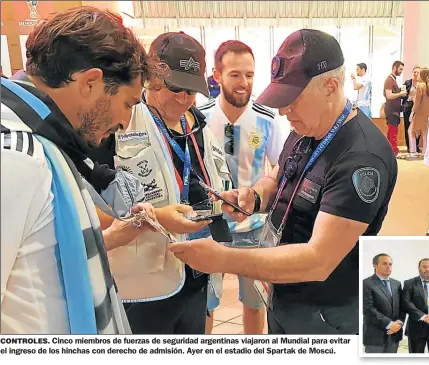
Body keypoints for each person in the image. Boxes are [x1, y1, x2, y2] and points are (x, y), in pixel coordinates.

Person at [168, 29, 398, 335]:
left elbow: (318, 259)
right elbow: (279, 176)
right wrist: (255, 196)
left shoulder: (362, 158)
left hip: (324, 318)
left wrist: (225, 259)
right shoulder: (305, 126)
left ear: (331, 86)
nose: (283, 111)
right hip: (283, 295)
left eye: (292, 100)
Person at [1, 6, 162, 334]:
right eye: (129, 104)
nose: (123, 122)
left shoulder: (50, 143)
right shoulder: (16, 157)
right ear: (91, 82)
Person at [91, 32, 233, 335]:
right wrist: (154, 219)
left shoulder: (196, 125)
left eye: (191, 91)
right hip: (143, 285)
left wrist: (226, 200)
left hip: (196, 273)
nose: (183, 99)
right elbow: (92, 210)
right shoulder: (120, 120)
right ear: (150, 77)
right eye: (175, 88)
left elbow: (203, 184)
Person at [199, 40, 288, 334]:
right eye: (235, 74)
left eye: (249, 75)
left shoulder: (267, 119)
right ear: (217, 75)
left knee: (255, 302)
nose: (244, 83)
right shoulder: (199, 118)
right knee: (207, 305)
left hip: (254, 228)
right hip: (211, 227)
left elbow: (279, 167)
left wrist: (261, 191)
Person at [362, 254, 405, 353]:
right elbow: (367, 309)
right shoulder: (366, 283)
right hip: (375, 338)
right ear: (375, 265)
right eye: (384, 263)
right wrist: (389, 324)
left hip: (394, 336)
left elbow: (402, 306)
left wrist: (399, 323)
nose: (388, 266)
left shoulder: (397, 284)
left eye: (390, 264)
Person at [402, 258, 429, 353]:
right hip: (416, 329)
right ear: (419, 268)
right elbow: (406, 303)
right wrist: (424, 317)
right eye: (424, 266)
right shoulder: (409, 283)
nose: (427, 269)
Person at [383, 61, 407, 157]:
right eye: (400, 69)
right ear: (394, 68)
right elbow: (389, 95)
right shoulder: (389, 80)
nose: (401, 71)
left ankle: (392, 151)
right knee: (392, 132)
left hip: (395, 111)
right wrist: (401, 94)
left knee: (393, 132)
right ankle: (393, 151)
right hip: (391, 111)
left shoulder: (393, 80)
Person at [409, 67, 429, 158]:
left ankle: (413, 152)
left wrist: (412, 113)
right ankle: (425, 153)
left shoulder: (420, 86)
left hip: (419, 113)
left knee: (411, 131)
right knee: (425, 133)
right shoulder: (427, 85)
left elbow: (417, 103)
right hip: (426, 114)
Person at [402, 66, 421, 153]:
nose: (416, 74)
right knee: (407, 126)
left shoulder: (422, 84)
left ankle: (416, 145)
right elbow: (403, 94)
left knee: (417, 127)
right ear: (412, 72)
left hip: (418, 107)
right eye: (414, 72)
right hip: (408, 105)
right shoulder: (408, 82)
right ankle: (409, 146)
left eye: (418, 72)